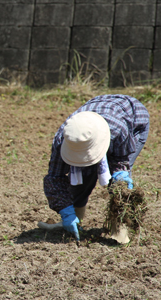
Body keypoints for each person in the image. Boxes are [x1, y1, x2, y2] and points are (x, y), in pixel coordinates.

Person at [43, 94, 149, 243]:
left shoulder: (118, 130)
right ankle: (75, 219)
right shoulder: (65, 137)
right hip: (102, 113)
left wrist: (121, 173)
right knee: (82, 173)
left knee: (117, 180)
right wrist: (65, 211)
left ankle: (119, 227)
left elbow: (120, 160)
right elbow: (54, 177)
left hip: (135, 119)